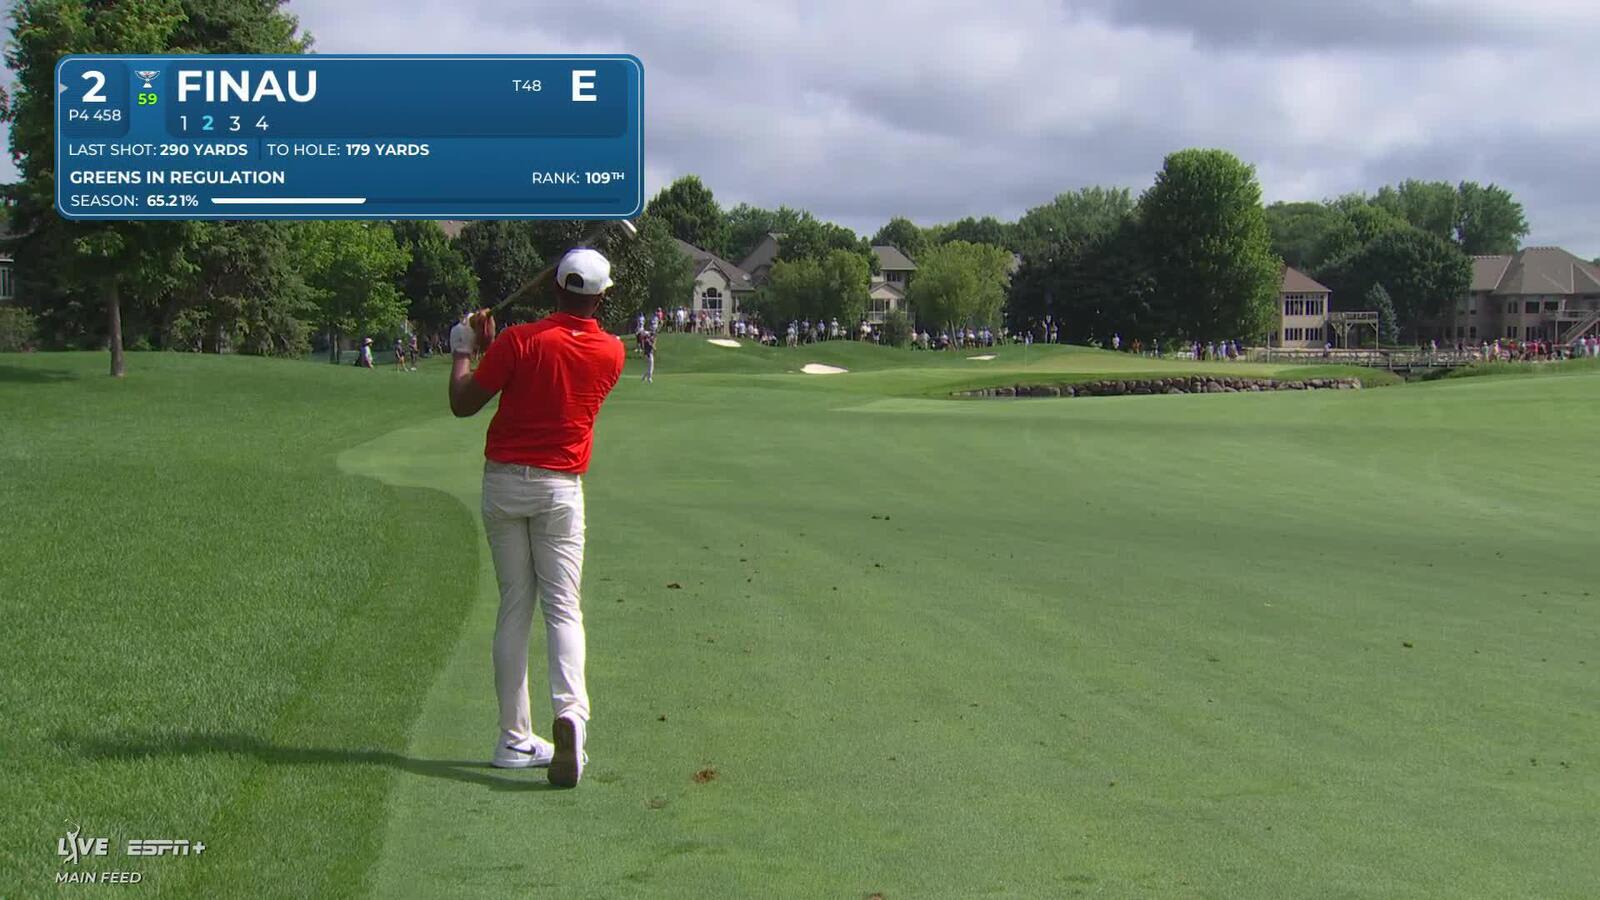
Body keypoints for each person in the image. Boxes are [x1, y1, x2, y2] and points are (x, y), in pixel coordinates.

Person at [447, 248, 626, 789]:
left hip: (504, 483)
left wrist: (464, 348)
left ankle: (513, 739)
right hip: (559, 488)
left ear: (554, 289)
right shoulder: (613, 351)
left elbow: (463, 402)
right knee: (563, 609)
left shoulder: (519, 341)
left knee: (515, 608)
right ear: (599, 300)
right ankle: (571, 718)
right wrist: (492, 345)